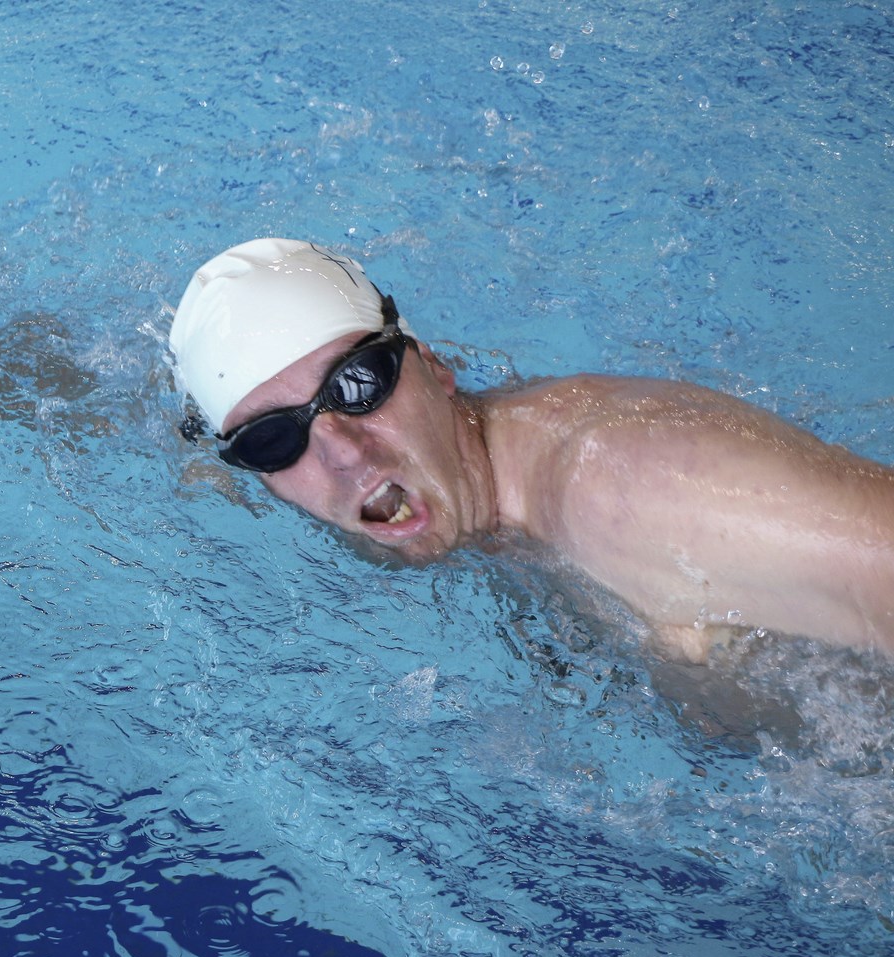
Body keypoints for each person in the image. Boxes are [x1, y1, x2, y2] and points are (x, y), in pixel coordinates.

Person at [170, 238, 894, 665]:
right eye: (274, 438)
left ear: (433, 365)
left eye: (359, 384)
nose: (343, 452)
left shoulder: (622, 481)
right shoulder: (487, 507)